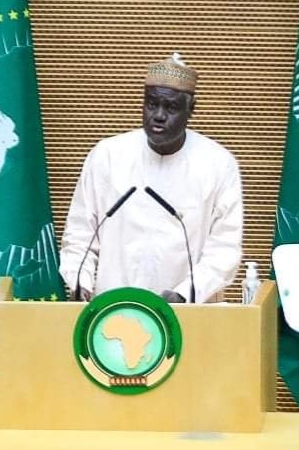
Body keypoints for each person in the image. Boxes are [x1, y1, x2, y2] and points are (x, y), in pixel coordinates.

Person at [59, 53, 243, 303]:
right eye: (151, 104)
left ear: (191, 109)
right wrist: (80, 282)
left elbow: (224, 248)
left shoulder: (218, 164)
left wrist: (184, 294)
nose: (158, 115)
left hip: (187, 313)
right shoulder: (107, 155)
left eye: (171, 107)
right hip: (112, 310)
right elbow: (80, 234)